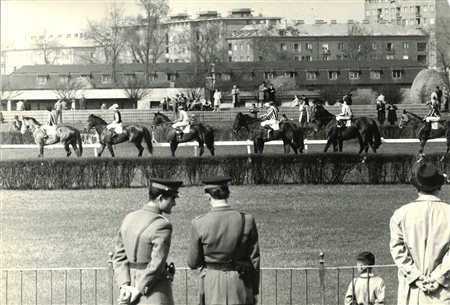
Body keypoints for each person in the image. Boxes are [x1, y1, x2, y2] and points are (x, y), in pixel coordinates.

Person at [187, 176, 260, 305]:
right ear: (228, 193)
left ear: (208, 196)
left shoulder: (199, 223)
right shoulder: (247, 220)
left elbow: (193, 262)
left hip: (211, 281)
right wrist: (254, 290)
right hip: (240, 281)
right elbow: (254, 259)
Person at [113, 177, 183, 305]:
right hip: (155, 291)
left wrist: (124, 285)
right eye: (172, 199)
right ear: (161, 198)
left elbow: (119, 256)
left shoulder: (129, 218)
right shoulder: (162, 225)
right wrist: (138, 289)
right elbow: (157, 263)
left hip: (129, 293)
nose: (174, 203)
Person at [390, 163, 450, 305]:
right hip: (443, 291)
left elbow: (398, 251)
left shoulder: (401, 214)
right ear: (439, 186)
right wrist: (437, 278)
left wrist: (416, 278)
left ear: (417, 187)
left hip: (411, 292)